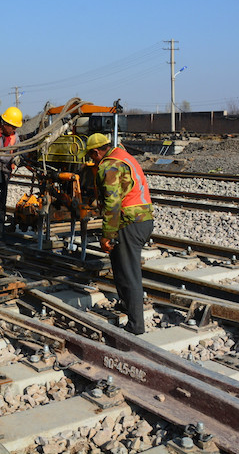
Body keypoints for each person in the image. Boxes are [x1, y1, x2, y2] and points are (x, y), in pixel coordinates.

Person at [84, 133, 155, 335]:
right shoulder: (123, 155)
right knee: (120, 265)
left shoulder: (110, 165)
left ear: (97, 152)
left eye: (92, 157)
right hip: (142, 219)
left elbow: (112, 205)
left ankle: (136, 326)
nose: (92, 161)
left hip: (129, 222)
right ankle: (126, 305)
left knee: (129, 273)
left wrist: (107, 235)